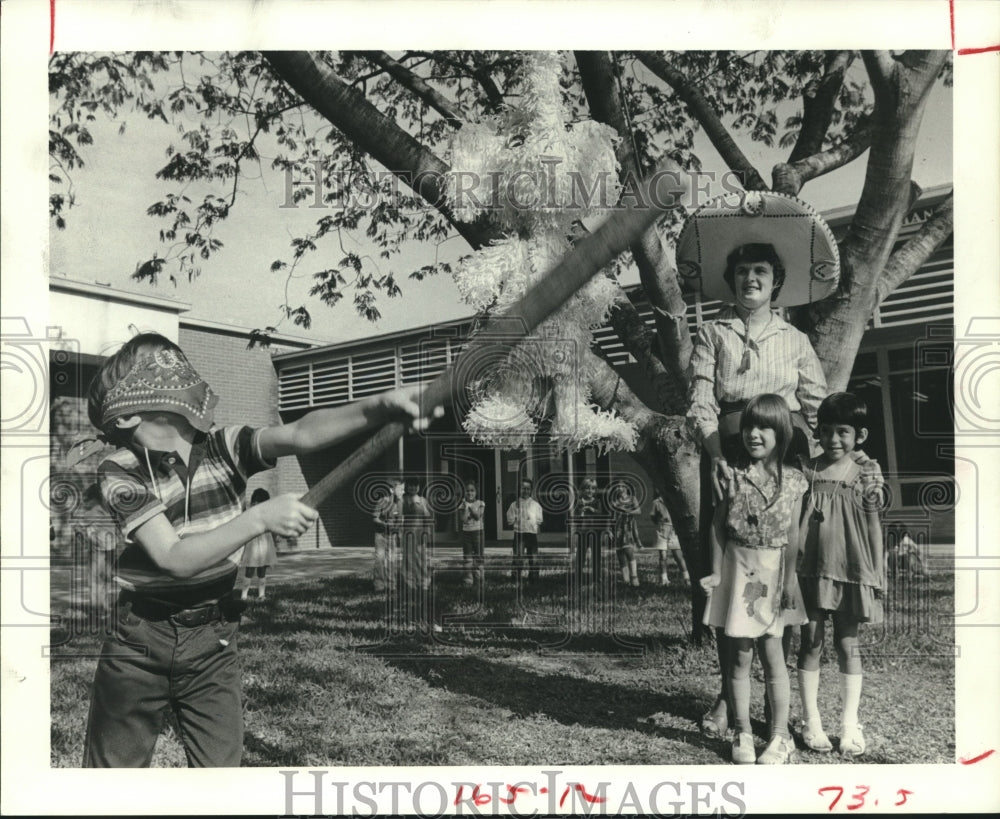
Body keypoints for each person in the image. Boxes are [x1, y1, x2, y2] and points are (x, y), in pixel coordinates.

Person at [80, 332, 435, 767]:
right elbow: (173, 558)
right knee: (111, 781)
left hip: (214, 638)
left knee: (222, 777)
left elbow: (302, 433)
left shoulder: (225, 446)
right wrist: (259, 519)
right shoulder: (119, 470)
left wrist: (379, 406)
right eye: (158, 369)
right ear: (126, 415)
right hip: (139, 642)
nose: (177, 373)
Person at [677, 190, 840, 739]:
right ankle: (730, 695)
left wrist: (827, 462)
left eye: (761, 272)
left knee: (779, 575)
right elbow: (700, 401)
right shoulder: (712, 333)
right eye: (743, 272)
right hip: (728, 455)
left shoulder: (795, 339)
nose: (751, 279)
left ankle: (777, 695)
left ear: (776, 283)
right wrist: (716, 457)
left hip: (785, 456)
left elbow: (815, 404)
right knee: (731, 576)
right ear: (732, 280)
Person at [701, 394, 809, 765]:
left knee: (773, 655)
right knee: (739, 657)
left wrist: (790, 582)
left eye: (764, 427)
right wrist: (716, 572)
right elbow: (717, 527)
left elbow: (793, 536)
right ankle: (742, 732)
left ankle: (780, 736)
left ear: (781, 432)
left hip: (775, 573)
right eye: (749, 426)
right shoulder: (731, 476)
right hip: (738, 571)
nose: (753, 434)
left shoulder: (794, 482)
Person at [796, 392, 886, 757]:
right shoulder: (806, 470)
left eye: (843, 432)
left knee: (848, 644)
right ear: (818, 432)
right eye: (827, 430)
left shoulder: (866, 472)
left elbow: (874, 526)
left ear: (859, 435)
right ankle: (811, 721)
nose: (834, 439)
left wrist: (877, 572)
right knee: (811, 642)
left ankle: (850, 725)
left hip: (851, 569)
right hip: (809, 571)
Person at [399, 476, 439, 634]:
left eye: (415, 485)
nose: (412, 488)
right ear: (406, 486)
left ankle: (423, 584)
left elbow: (429, 518)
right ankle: (410, 584)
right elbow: (397, 515)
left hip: (420, 538)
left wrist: (428, 533)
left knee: (422, 564)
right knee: (409, 563)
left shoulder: (423, 501)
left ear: (419, 487)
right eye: (410, 485)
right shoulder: (403, 501)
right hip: (408, 537)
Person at [240, 489, 277, 602]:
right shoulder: (250, 513)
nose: (256, 504)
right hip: (253, 543)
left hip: (265, 542)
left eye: (259, 502)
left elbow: (272, 527)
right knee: (250, 569)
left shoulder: (268, 513)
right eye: (255, 502)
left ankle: (261, 594)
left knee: (262, 569)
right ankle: (244, 595)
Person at [570, 477, 607, 583]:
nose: (590, 491)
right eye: (587, 488)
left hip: (595, 532)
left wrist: (592, 509)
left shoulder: (597, 502)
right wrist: (580, 513)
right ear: (582, 489)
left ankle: (597, 577)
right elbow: (575, 516)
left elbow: (600, 513)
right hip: (583, 532)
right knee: (581, 555)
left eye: (593, 489)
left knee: (596, 554)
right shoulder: (579, 502)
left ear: (595, 490)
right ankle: (578, 576)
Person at [649, 489, 690, 586]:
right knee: (663, 556)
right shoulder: (656, 502)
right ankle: (664, 579)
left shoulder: (674, 499)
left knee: (678, 555)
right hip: (662, 529)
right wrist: (659, 522)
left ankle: (686, 577)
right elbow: (652, 515)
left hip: (673, 529)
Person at [507, 478, 544, 583]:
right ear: (519, 490)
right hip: (519, 534)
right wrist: (516, 518)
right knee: (518, 557)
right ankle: (516, 578)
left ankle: (534, 578)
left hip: (531, 534)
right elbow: (510, 520)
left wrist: (536, 525)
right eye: (523, 488)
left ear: (531, 490)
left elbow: (539, 520)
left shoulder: (535, 505)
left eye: (528, 489)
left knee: (533, 557)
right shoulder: (514, 505)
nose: (525, 491)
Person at [373, 476, 404, 593]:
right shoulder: (382, 501)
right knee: (379, 559)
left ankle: (392, 586)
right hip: (380, 534)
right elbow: (375, 518)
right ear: (392, 490)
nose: (403, 492)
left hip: (392, 535)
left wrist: (398, 529)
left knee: (391, 560)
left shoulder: (400, 503)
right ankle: (379, 586)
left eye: (403, 489)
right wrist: (384, 524)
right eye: (400, 489)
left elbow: (400, 520)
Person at [611, 481, 642, 587]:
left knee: (629, 551)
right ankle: (626, 579)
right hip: (617, 528)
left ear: (626, 487)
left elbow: (639, 511)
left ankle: (634, 578)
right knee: (620, 553)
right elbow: (612, 516)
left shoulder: (632, 499)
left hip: (628, 527)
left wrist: (627, 511)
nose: (620, 488)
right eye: (617, 486)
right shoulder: (614, 501)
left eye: (622, 486)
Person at [457, 480, 486, 586]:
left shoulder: (480, 503)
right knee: (467, 557)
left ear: (476, 492)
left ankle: (479, 579)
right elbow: (464, 519)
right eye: (467, 491)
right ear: (464, 492)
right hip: (466, 533)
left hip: (478, 532)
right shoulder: (462, 505)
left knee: (478, 556)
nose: (470, 493)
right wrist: (465, 508)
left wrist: (469, 507)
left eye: (472, 490)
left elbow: (477, 516)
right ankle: (468, 579)